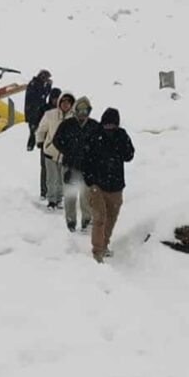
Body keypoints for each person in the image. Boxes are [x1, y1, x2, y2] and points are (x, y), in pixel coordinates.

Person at [82, 108, 135, 263]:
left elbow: (129, 156)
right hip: (97, 184)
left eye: (112, 125)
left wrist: (122, 143)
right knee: (99, 217)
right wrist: (89, 180)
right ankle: (97, 251)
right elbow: (85, 158)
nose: (109, 128)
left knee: (111, 217)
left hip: (116, 185)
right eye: (106, 125)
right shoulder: (94, 135)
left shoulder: (122, 135)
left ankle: (104, 244)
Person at [52, 96, 100, 232]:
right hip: (70, 166)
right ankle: (71, 221)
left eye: (85, 110)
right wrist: (68, 151)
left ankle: (86, 221)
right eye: (80, 110)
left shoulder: (94, 126)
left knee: (86, 196)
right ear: (75, 110)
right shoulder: (67, 125)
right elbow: (56, 140)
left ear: (89, 111)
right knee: (70, 196)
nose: (82, 113)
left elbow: (101, 144)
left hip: (88, 167)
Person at [36, 91, 74, 210]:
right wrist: (40, 141)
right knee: (51, 178)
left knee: (62, 178)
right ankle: (51, 200)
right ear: (59, 102)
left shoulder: (74, 118)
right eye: (63, 102)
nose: (65, 104)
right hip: (50, 151)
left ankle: (59, 199)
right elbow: (41, 129)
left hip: (65, 154)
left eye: (68, 102)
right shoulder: (50, 115)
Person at [37, 87, 62, 200]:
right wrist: (40, 140)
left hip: (60, 145)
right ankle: (44, 191)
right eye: (54, 98)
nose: (55, 100)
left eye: (57, 98)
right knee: (45, 168)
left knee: (58, 169)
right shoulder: (45, 109)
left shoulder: (63, 111)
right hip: (46, 143)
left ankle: (57, 193)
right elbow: (40, 126)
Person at [24, 69, 52, 151]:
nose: (46, 80)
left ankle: (32, 147)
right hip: (34, 113)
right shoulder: (35, 84)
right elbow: (41, 96)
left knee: (37, 131)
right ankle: (30, 148)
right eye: (46, 78)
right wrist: (48, 87)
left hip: (35, 112)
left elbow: (43, 96)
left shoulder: (36, 84)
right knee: (34, 131)